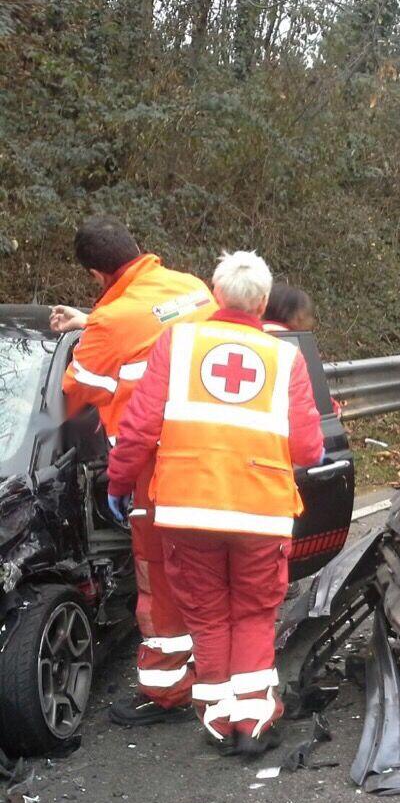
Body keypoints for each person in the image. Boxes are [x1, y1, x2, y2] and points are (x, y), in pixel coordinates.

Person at [107, 251, 323, 756]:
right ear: (264, 301)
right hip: (260, 512)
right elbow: (310, 449)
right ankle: (252, 719)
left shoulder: (177, 343)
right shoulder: (284, 358)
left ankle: (218, 717)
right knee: (252, 613)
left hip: (188, 508)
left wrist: (118, 483)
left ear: (214, 291)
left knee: (206, 615)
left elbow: (138, 427)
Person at [53, 216, 217, 727]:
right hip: (214, 453)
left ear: (96, 275)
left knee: (161, 581)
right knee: (211, 574)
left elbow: (73, 393)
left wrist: (95, 326)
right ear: (138, 248)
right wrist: (94, 320)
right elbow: (149, 323)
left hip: (154, 466)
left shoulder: (111, 321)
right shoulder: (191, 288)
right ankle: (218, 675)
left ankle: (167, 693)